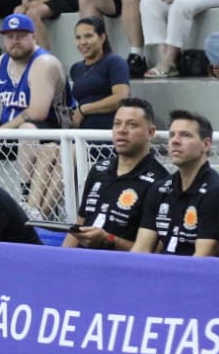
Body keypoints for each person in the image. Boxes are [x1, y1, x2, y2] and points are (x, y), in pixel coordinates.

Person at [0, 13, 72, 217]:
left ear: (33, 37)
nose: (15, 41)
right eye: (10, 37)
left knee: (27, 131)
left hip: (52, 130)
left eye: (21, 36)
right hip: (10, 131)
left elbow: (37, 112)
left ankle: (27, 197)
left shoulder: (44, 63)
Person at [63, 98, 164, 250]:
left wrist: (108, 239)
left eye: (132, 125)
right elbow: (79, 223)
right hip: (82, 259)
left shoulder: (160, 182)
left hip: (122, 263)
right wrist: (61, 256)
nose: (122, 130)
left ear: (150, 132)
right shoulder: (99, 169)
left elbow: (153, 252)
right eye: (117, 124)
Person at [131, 110, 219, 257]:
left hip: (192, 270)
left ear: (206, 144)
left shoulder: (217, 192)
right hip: (161, 267)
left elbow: (202, 258)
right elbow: (141, 250)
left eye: (185, 135)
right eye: (172, 135)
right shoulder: (159, 188)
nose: (175, 141)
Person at [68, 16, 131, 130]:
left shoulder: (114, 62)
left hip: (108, 132)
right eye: (78, 38)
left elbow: (121, 98)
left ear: (102, 38)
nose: (82, 42)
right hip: (81, 133)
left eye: (88, 36)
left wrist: (84, 109)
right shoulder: (75, 69)